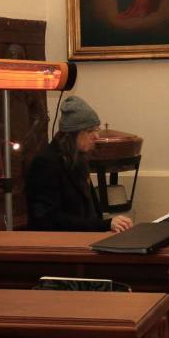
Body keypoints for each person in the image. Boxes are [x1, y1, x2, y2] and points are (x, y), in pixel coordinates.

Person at [27, 95, 133, 234]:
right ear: (71, 134)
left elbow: (91, 212)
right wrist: (104, 225)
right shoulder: (46, 163)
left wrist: (105, 228)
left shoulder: (78, 158)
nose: (96, 136)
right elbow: (48, 218)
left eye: (96, 129)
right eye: (89, 131)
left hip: (83, 239)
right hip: (59, 243)